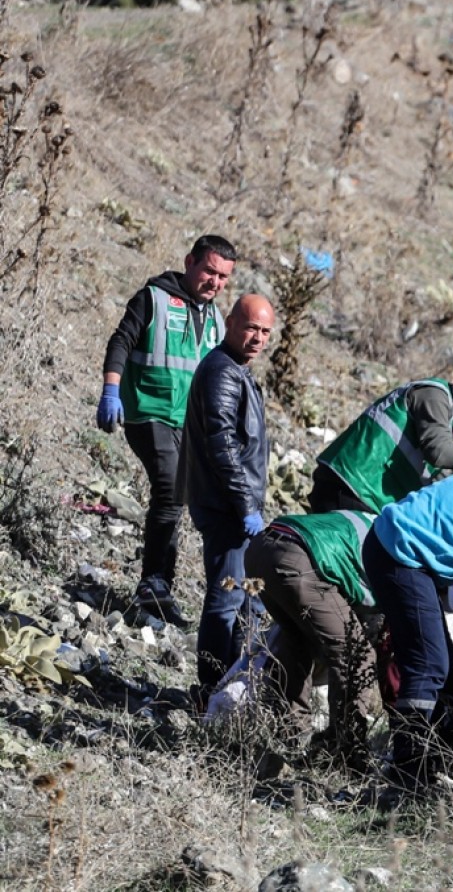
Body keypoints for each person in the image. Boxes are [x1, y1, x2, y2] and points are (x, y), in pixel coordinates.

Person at [96, 235, 237, 624]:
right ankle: (153, 583)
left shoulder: (215, 319)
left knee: (178, 497)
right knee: (171, 490)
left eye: (224, 277)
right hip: (147, 411)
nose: (215, 282)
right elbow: (121, 340)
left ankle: (159, 587)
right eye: (210, 271)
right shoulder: (154, 299)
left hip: (187, 423)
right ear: (190, 262)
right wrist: (111, 389)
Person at [361, 461, 453, 792]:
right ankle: (408, 773)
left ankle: (444, 759)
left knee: (441, 666)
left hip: (403, 548)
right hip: (400, 551)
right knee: (428, 665)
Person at [182, 293, 275, 692]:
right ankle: (210, 691)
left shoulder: (236, 369)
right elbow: (221, 444)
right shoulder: (222, 371)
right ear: (230, 322)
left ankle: (232, 687)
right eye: (251, 327)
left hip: (236, 508)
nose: (257, 338)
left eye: (265, 331)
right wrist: (245, 506)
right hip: (227, 510)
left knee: (247, 599)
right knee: (226, 601)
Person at [244, 508, 381, 768]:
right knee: (356, 653)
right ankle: (348, 752)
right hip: (297, 557)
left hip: (261, 549)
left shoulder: (376, 521)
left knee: (297, 638)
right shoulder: (402, 549)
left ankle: (289, 731)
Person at [309, 367, 453, 513]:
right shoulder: (434, 396)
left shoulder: (445, 420)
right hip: (352, 485)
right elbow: (440, 453)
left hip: (363, 492)